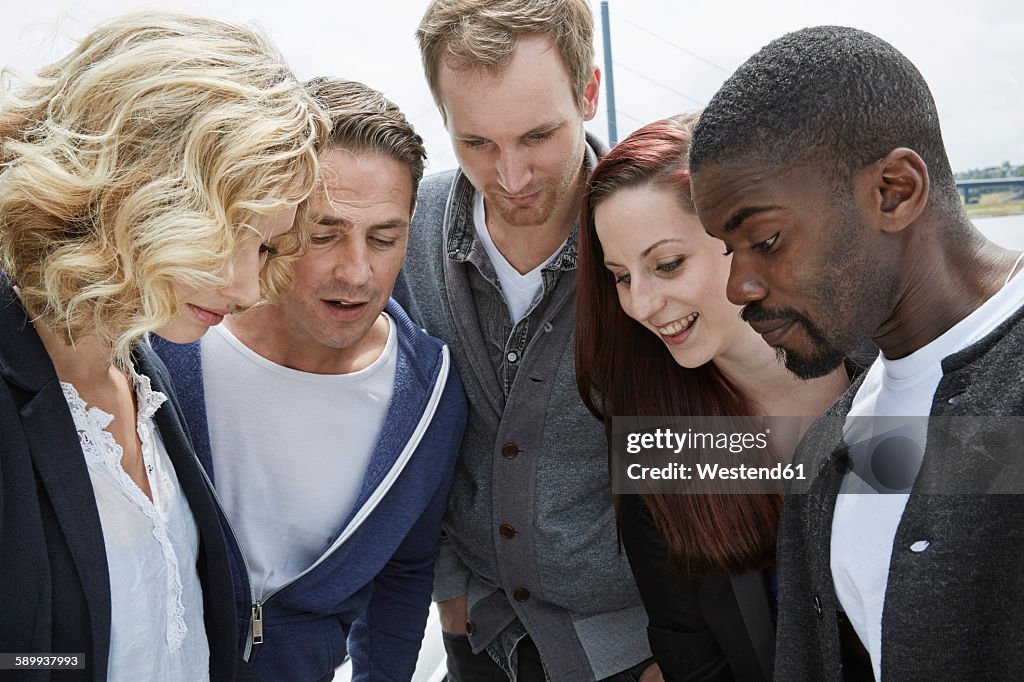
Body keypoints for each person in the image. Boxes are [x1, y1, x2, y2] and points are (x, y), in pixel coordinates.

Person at [688, 25, 1024, 681]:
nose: (738, 287)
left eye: (766, 238)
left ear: (894, 190)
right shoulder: (830, 448)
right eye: (729, 251)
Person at [0, 12, 324, 681]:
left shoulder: (149, 373)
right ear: (135, 182)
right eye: (226, 230)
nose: (246, 287)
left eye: (263, 245)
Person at [153, 76, 467, 681]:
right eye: (323, 234)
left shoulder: (430, 393)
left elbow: (404, 571)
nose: (357, 271)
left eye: (384, 238)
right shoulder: (168, 340)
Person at [391, 1, 658, 680]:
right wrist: (450, 606)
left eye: (538, 136)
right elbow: (410, 438)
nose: (510, 177)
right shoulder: (404, 233)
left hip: (644, 652)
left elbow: (737, 432)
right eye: (476, 143)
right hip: (480, 643)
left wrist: (688, 645)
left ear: (589, 92)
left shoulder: (663, 234)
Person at [575, 113, 850, 681]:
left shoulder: (901, 374)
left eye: (667, 265)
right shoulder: (670, 445)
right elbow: (692, 661)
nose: (643, 305)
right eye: (622, 276)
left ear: (743, 236)